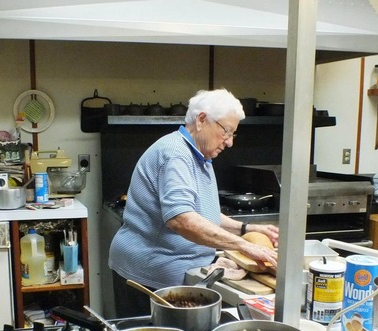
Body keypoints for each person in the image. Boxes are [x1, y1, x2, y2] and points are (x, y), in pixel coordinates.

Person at [108, 88, 279, 318]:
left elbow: (203, 214)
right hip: (149, 277)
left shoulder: (200, 156)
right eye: (226, 131)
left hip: (174, 276)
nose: (229, 142)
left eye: (233, 134)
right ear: (201, 120)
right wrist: (243, 245)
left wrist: (246, 229)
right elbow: (182, 220)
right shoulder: (176, 155)